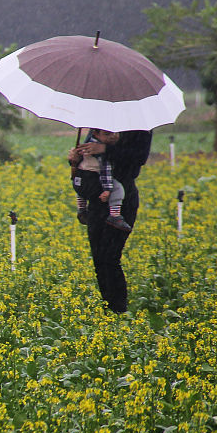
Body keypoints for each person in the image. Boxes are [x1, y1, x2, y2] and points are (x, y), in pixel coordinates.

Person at [67, 129, 152, 314]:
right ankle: (107, 309)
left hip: (121, 199)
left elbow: (139, 158)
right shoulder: (101, 119)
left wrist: (105, 149)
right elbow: (89, 161)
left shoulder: (139, 126)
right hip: (96, 200)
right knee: (98, 257)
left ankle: (118, 310)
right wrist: (75, 158)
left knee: (110, 257)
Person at [70, 129, 130, 232]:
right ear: (96, 134)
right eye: (107, 134)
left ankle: (82, 209)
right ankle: (115, 216)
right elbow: (105, 172)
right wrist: (107, 189)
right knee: (118, 189)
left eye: (115, 133)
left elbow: (76, 162)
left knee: (81, 191)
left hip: (79, 181)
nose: (112, 136)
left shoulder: (86, 144)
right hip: (93, 182)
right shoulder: (99, 150)